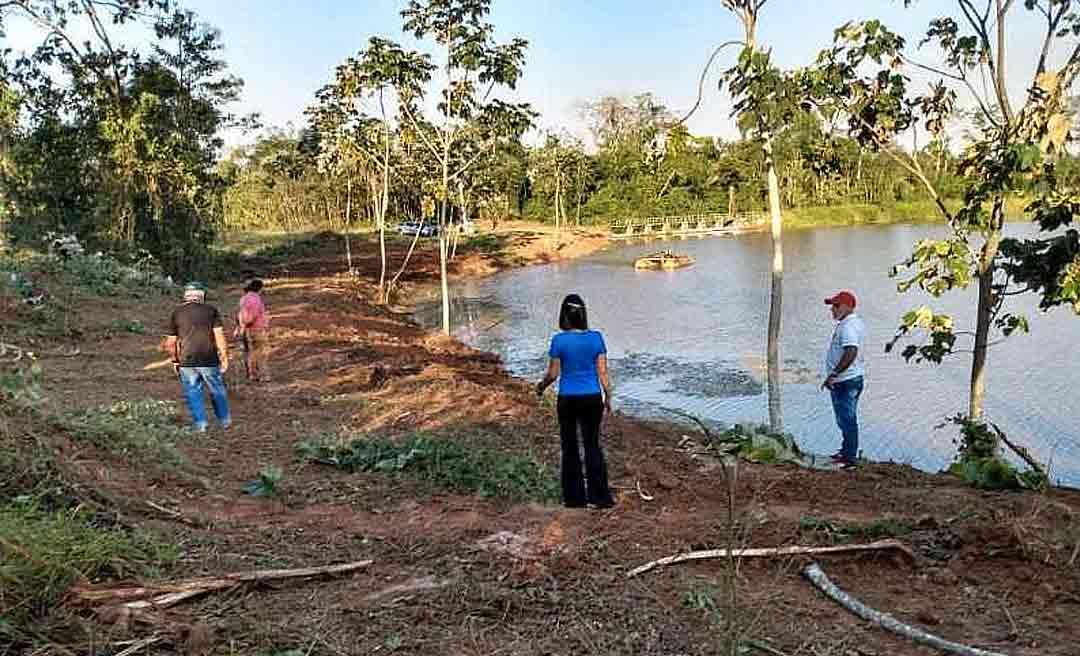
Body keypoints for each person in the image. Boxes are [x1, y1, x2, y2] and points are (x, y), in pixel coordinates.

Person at [535, 294, 615, 509]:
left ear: (564, 316)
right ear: (583, 314)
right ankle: (600, 497)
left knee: (569, 446)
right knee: (592, 445)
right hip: (591, 398)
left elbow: (553, 374)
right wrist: (608, 397)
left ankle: (574, 499)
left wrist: (541, 387)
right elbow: (603, 373)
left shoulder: (559, 340)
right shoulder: (596, 338)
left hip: (568, 399)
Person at [165, 282, 231, 432]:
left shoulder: (177, 313)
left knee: (193, 392)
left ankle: (201, 424)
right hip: (209, 358)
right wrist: (224, 356)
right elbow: (219, 335)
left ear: (185, 296)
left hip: (187, 361)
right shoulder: (211, 311)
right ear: (202, 296)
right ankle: (225, 420)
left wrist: (175, 360)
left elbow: (171, 342)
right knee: (217, 389)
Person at [822, 290, 866, 470]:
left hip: (846, 381)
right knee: (844, 419)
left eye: (836, 305)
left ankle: (849, 459)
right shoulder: (850, 324)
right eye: (833, 305)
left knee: (847, 419)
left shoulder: (848, 327)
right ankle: (846, 452)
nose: (833, 309)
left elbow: (851, 351)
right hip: (849, 379)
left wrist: (834, 374)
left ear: (848, 307)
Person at [235, 278, 270, 382]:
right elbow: (251, 316)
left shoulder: (243, 299)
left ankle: (252, 374)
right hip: (256, 329)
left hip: (247, 330)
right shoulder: (256, 299)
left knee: (250, 353)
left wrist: (240, 327)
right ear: (259, 288)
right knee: (261, 353)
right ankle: (263, 375)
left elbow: (239, 314)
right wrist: (247, 322)